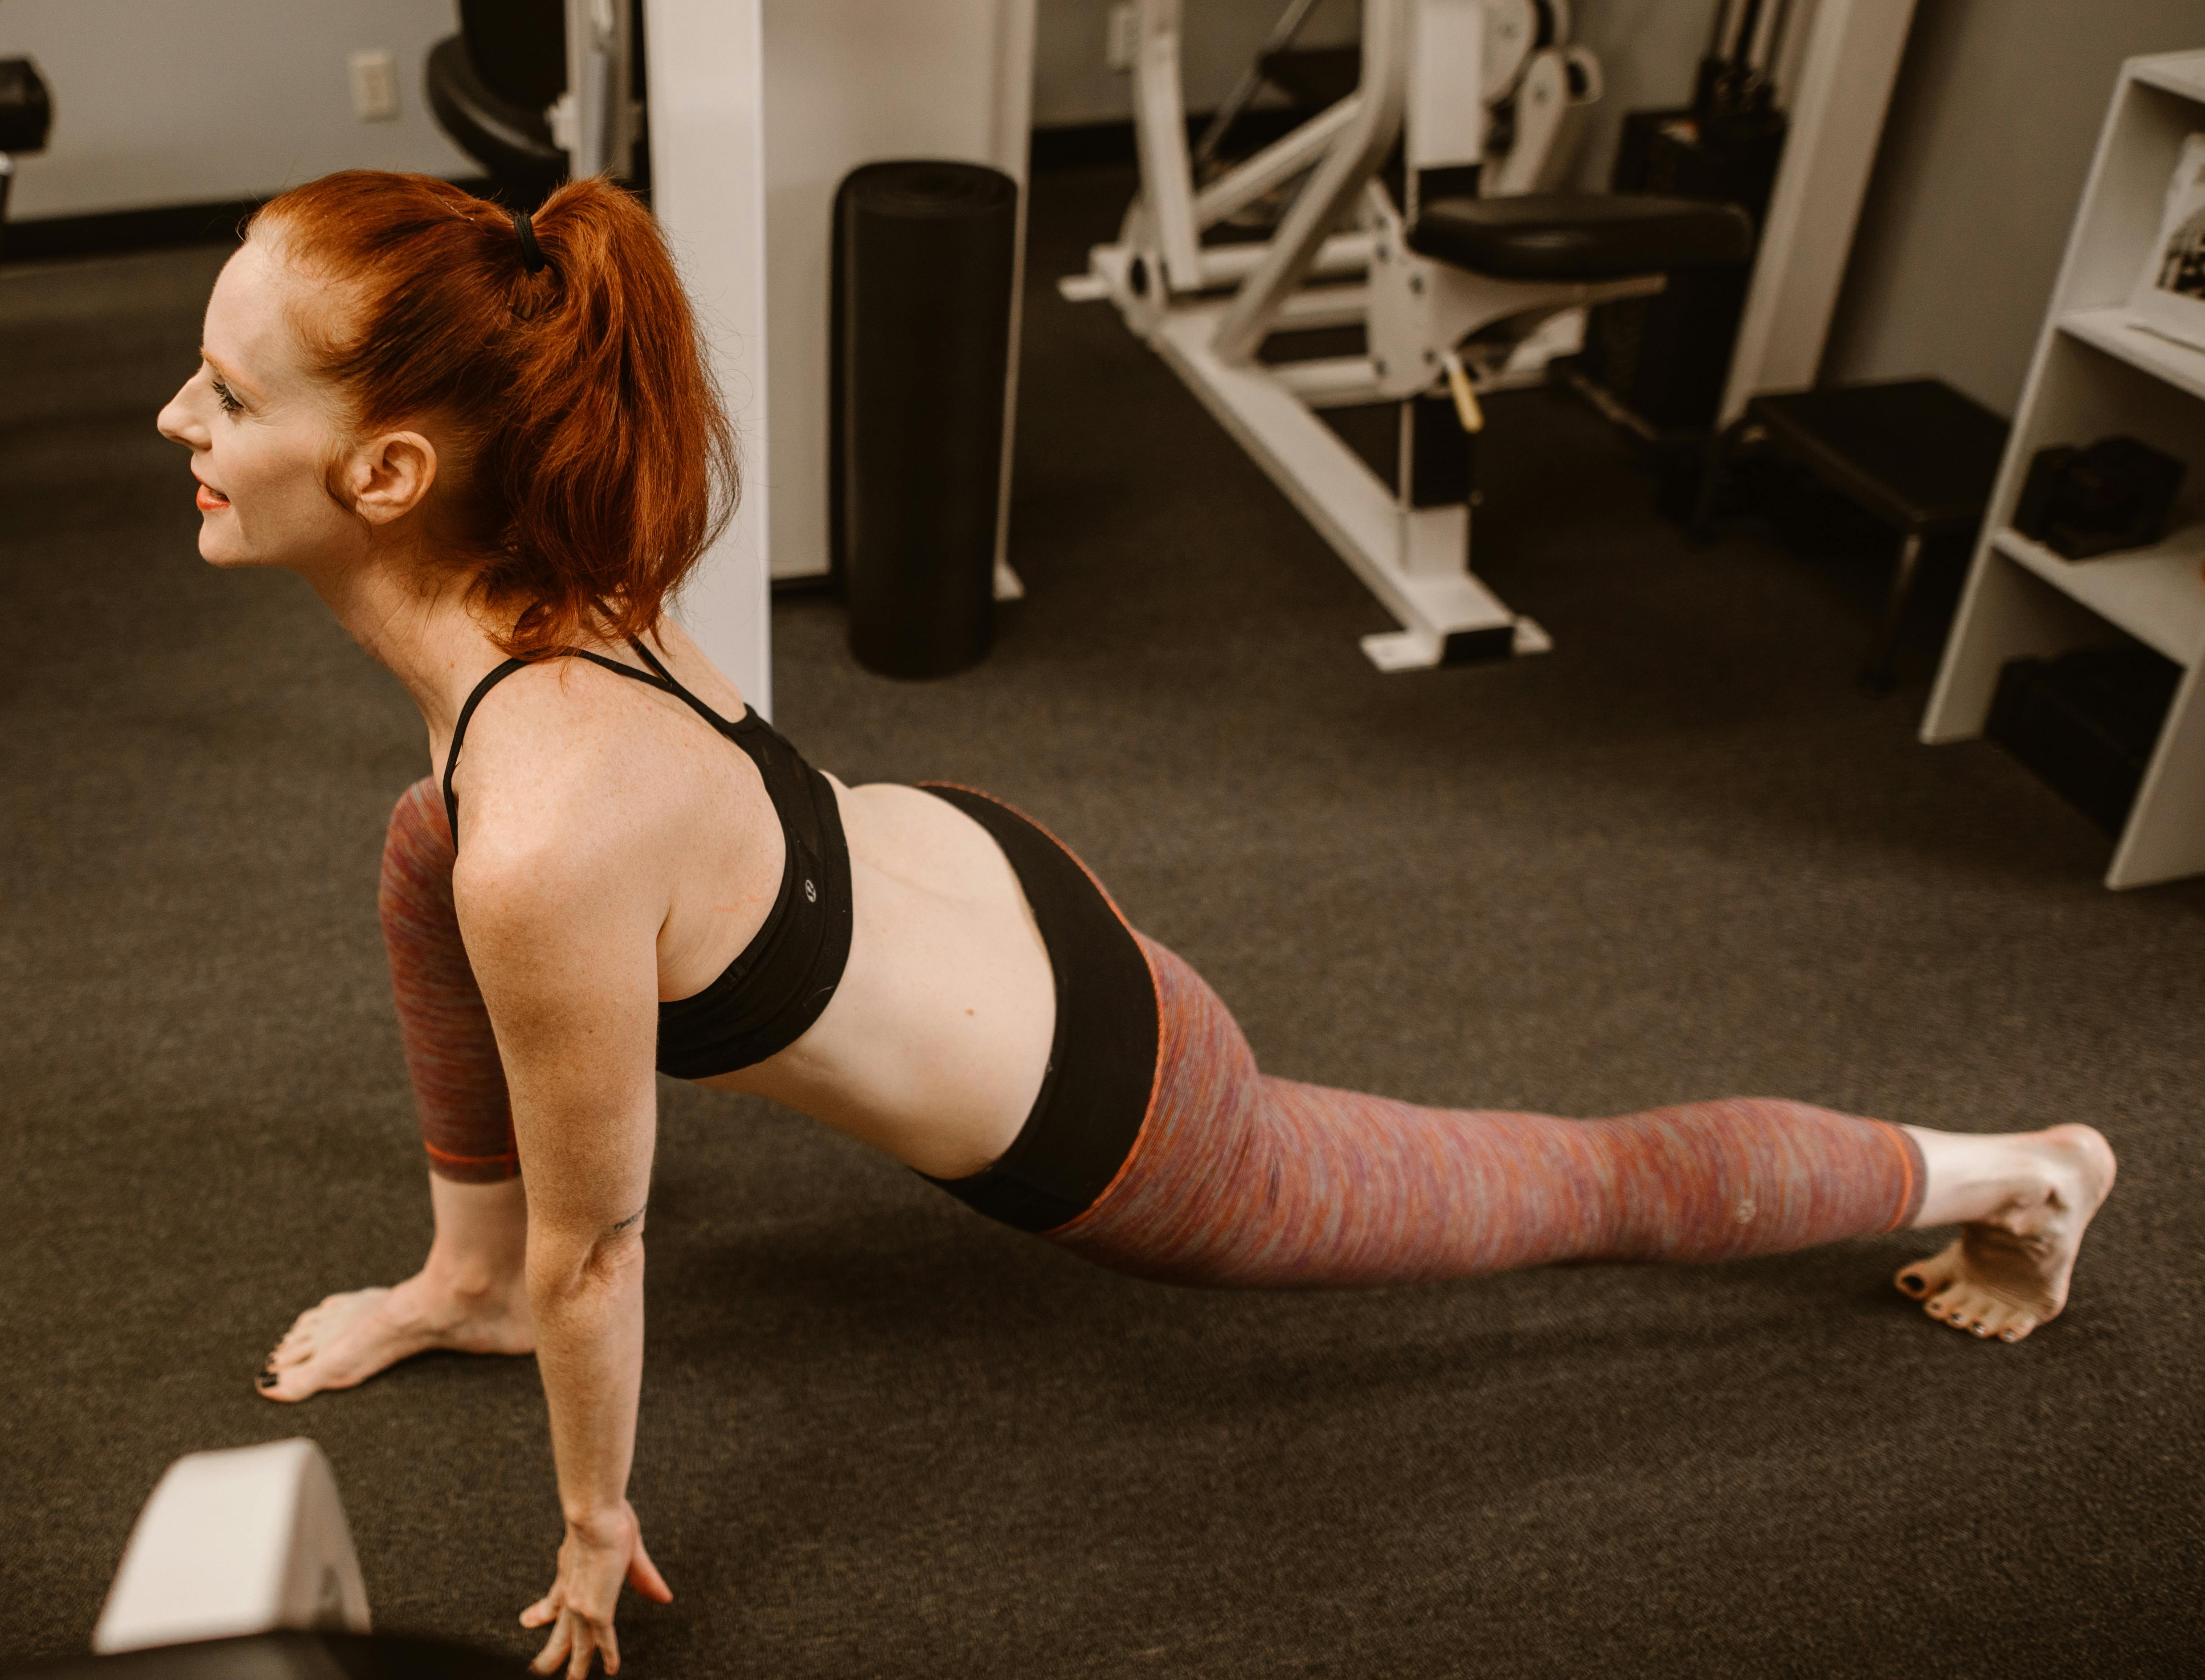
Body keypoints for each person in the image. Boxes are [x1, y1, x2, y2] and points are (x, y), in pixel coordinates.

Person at [156, 171, 2115, 1680]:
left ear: (389, 471)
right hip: (982, 876)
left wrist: (594, 1524)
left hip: (1140, 1114)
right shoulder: (547, 566)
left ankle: (2020, 1172)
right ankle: (448, 1267)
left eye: (227, 393)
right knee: (426, 842)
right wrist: (484, 1269)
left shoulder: (548, 832)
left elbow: (604, 1254)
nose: (177, 412)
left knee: (1572, 1185)